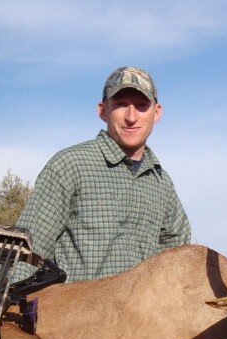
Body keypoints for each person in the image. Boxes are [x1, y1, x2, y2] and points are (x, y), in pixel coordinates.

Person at [12, 66, 191, 283]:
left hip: (140, 316)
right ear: (103, 110)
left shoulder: (162, 183)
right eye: (120, 105)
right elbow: (27, 251)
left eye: (142, 106)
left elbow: (176, 259)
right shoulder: (70, 165)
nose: (131, 117)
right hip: (74, 313)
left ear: (157, 112)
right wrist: (8, 303)